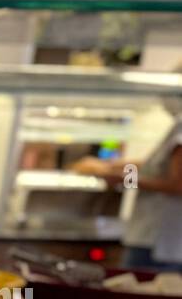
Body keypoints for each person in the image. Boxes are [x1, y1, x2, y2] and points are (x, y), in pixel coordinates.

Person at [76, 113, 182, 272]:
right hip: (153, 239)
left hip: (158, 242)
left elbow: (177, 185)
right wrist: (110, 166)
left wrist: (121, 178)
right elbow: (154, 168)